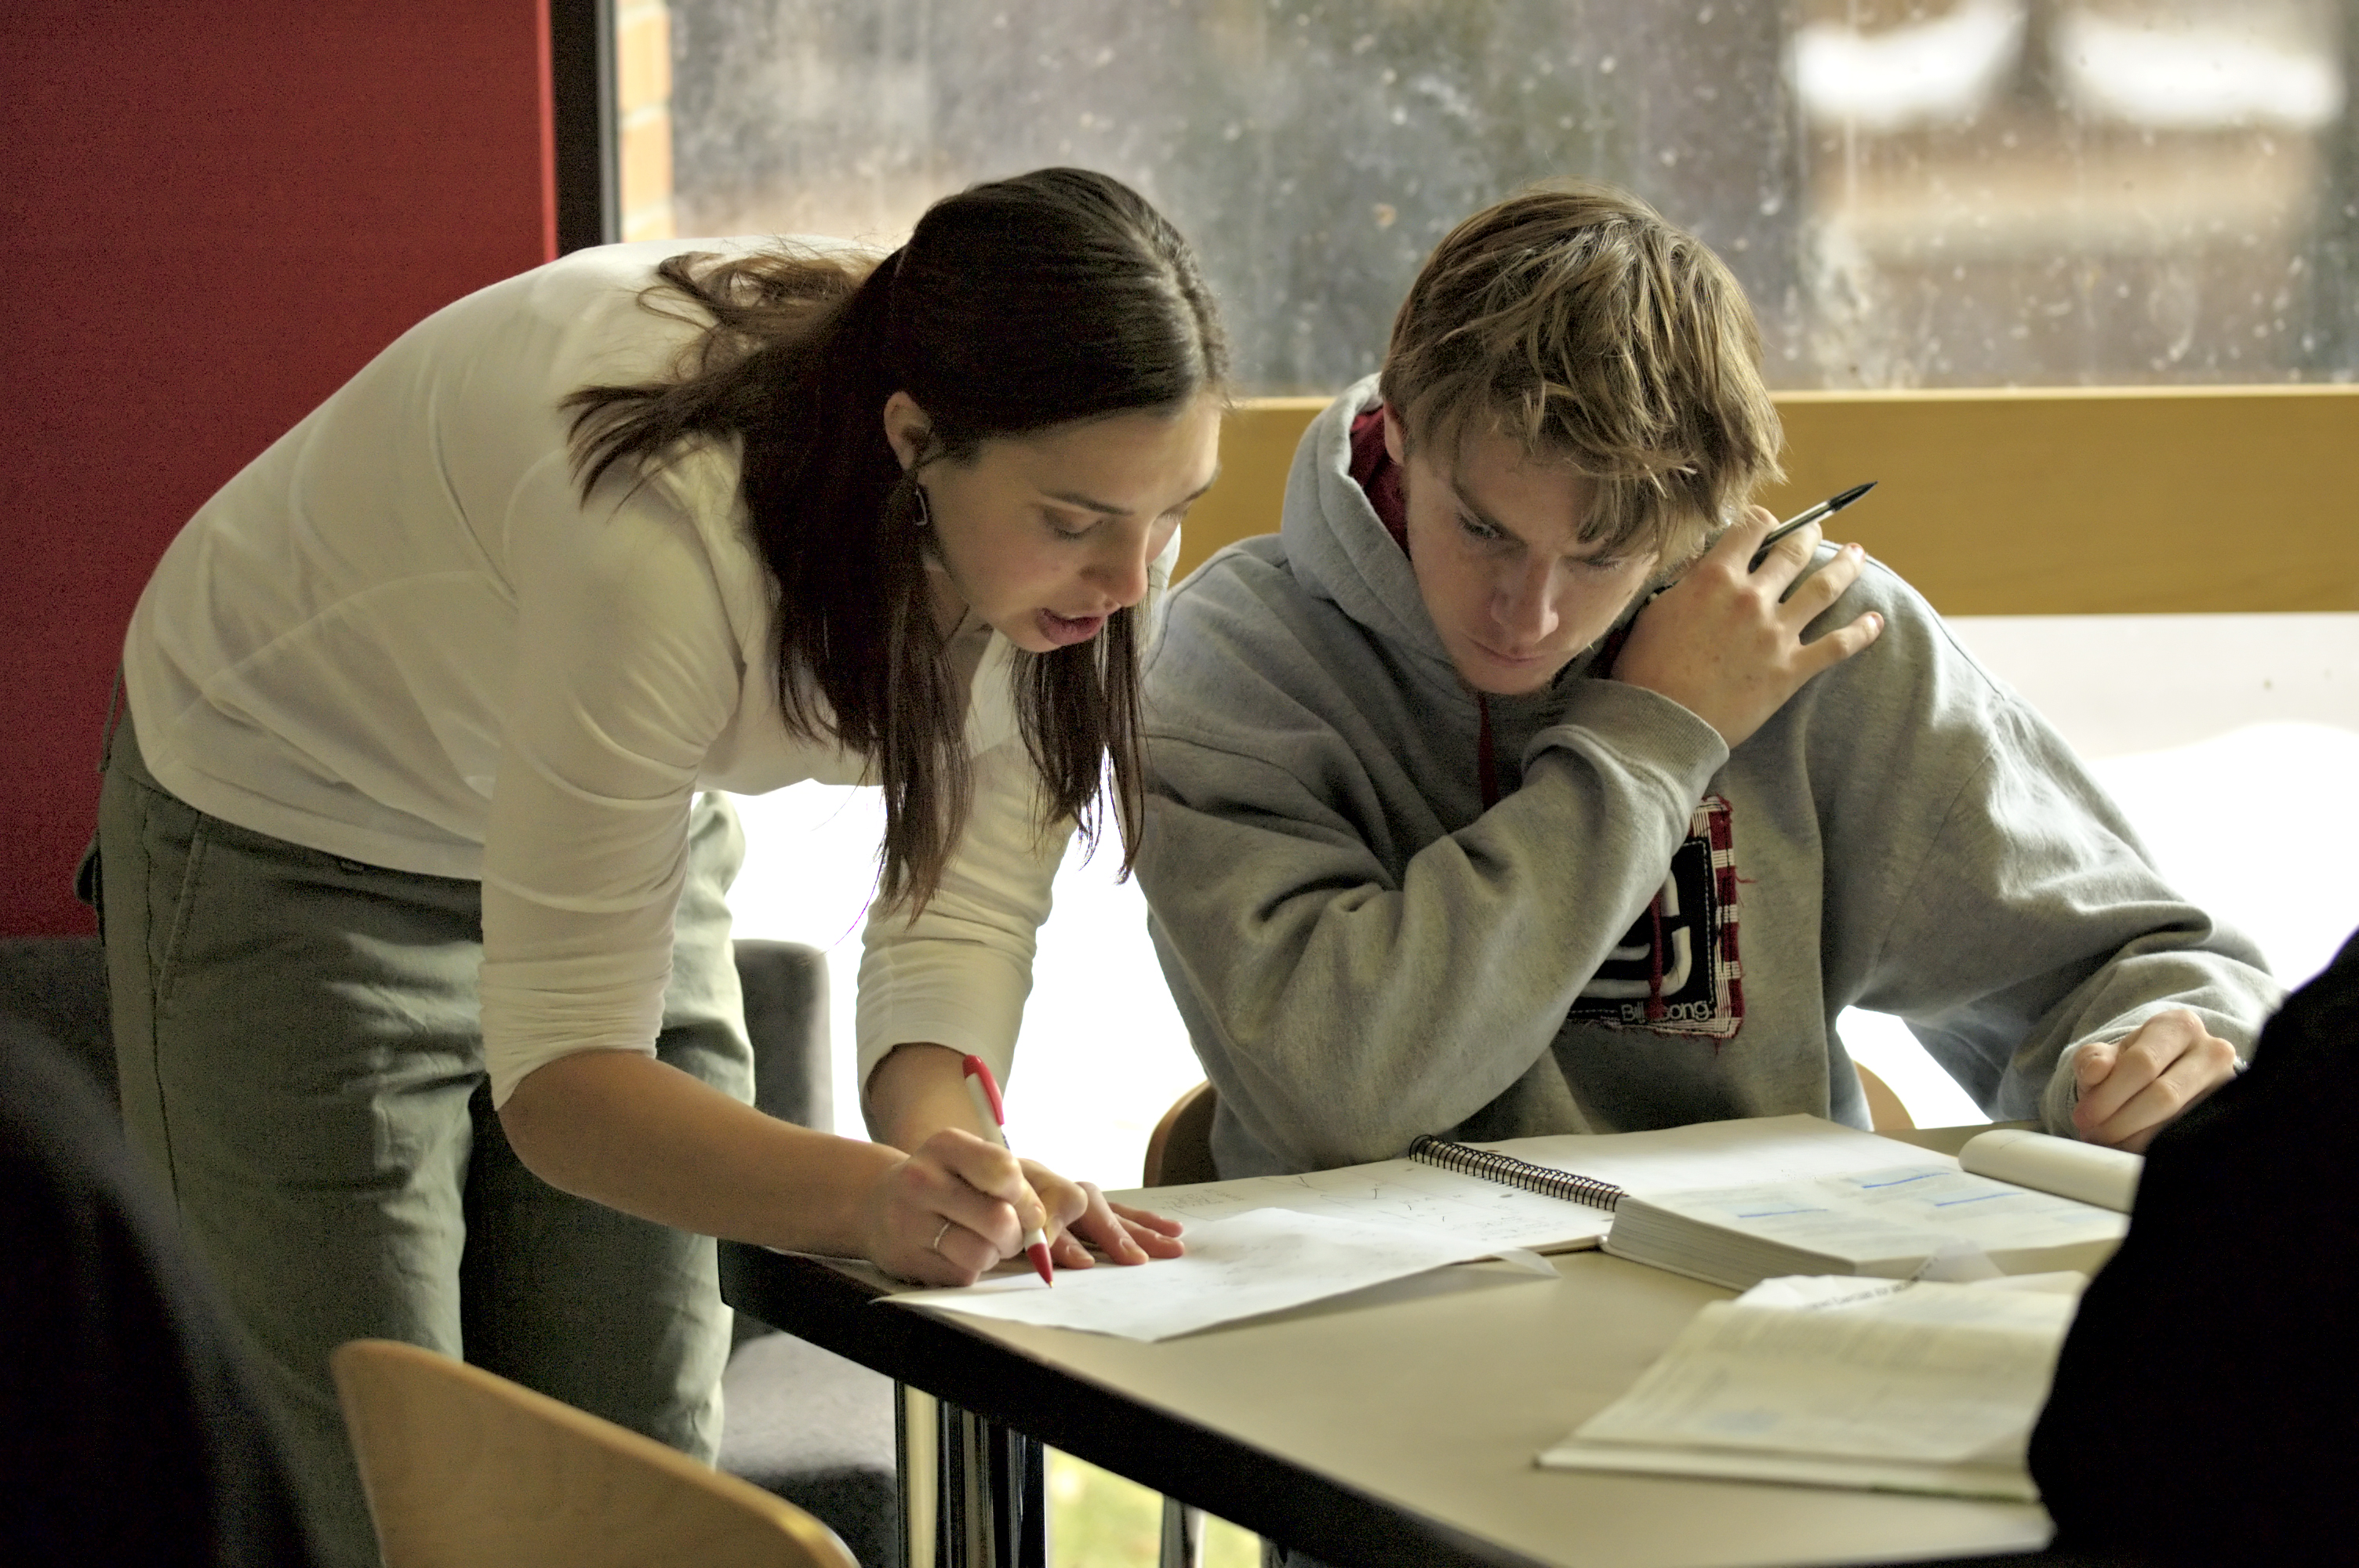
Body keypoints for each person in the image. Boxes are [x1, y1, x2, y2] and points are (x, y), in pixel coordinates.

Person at [92, 167, 1211, 1567]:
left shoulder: (1098, 522)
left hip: (605, 803)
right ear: (915, 441)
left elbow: (962, 908)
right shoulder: (663, 532)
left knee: (637, 1482)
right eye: (1075, 520)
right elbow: (569, 1090)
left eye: (1168, 513)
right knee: (368, 1491)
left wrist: (944, 1147)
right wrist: (866, 1202)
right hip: (301, 821)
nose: (1130, 576)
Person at [1134, 182, 2274, 1185]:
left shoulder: (1803, 634)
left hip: (1765, 1316)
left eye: (1602, 555)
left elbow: (2140, 966)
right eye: (1483, 529)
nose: (1528, 614)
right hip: (1357, 1336)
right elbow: (1344, 1092)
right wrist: (1654, 733)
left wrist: (2155, 1056)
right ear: (1402, 430)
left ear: (1698, 520)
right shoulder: (1244, 658)